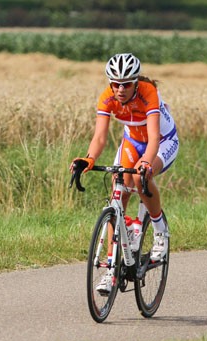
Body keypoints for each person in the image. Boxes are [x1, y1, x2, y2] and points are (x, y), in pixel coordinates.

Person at [70, 53, 179, 294]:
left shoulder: (148, 93)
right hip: (132, 140)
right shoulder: (107, 98)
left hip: (161, 141)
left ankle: (160, 231)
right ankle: (112, 270)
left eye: (126, 84)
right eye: (115, 83)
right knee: (117, 193)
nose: (120, 89)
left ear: (136, 83)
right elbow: (99, 137)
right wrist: (88, 158)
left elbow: (153, 138)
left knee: (141, 179)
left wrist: (146, 163)